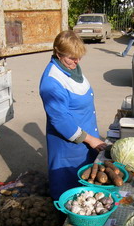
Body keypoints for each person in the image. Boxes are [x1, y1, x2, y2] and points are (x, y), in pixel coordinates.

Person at [39, 30, 107, 200]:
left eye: (78, 57)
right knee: (70, 192)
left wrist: (92, 139)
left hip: (87, 141)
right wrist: (91, 140)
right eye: (71, 57)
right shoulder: (52, 81)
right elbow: (61, 121)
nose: (76, 61)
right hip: (69, 147)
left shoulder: (72, 68)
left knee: (87, 191)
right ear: (57, 52)